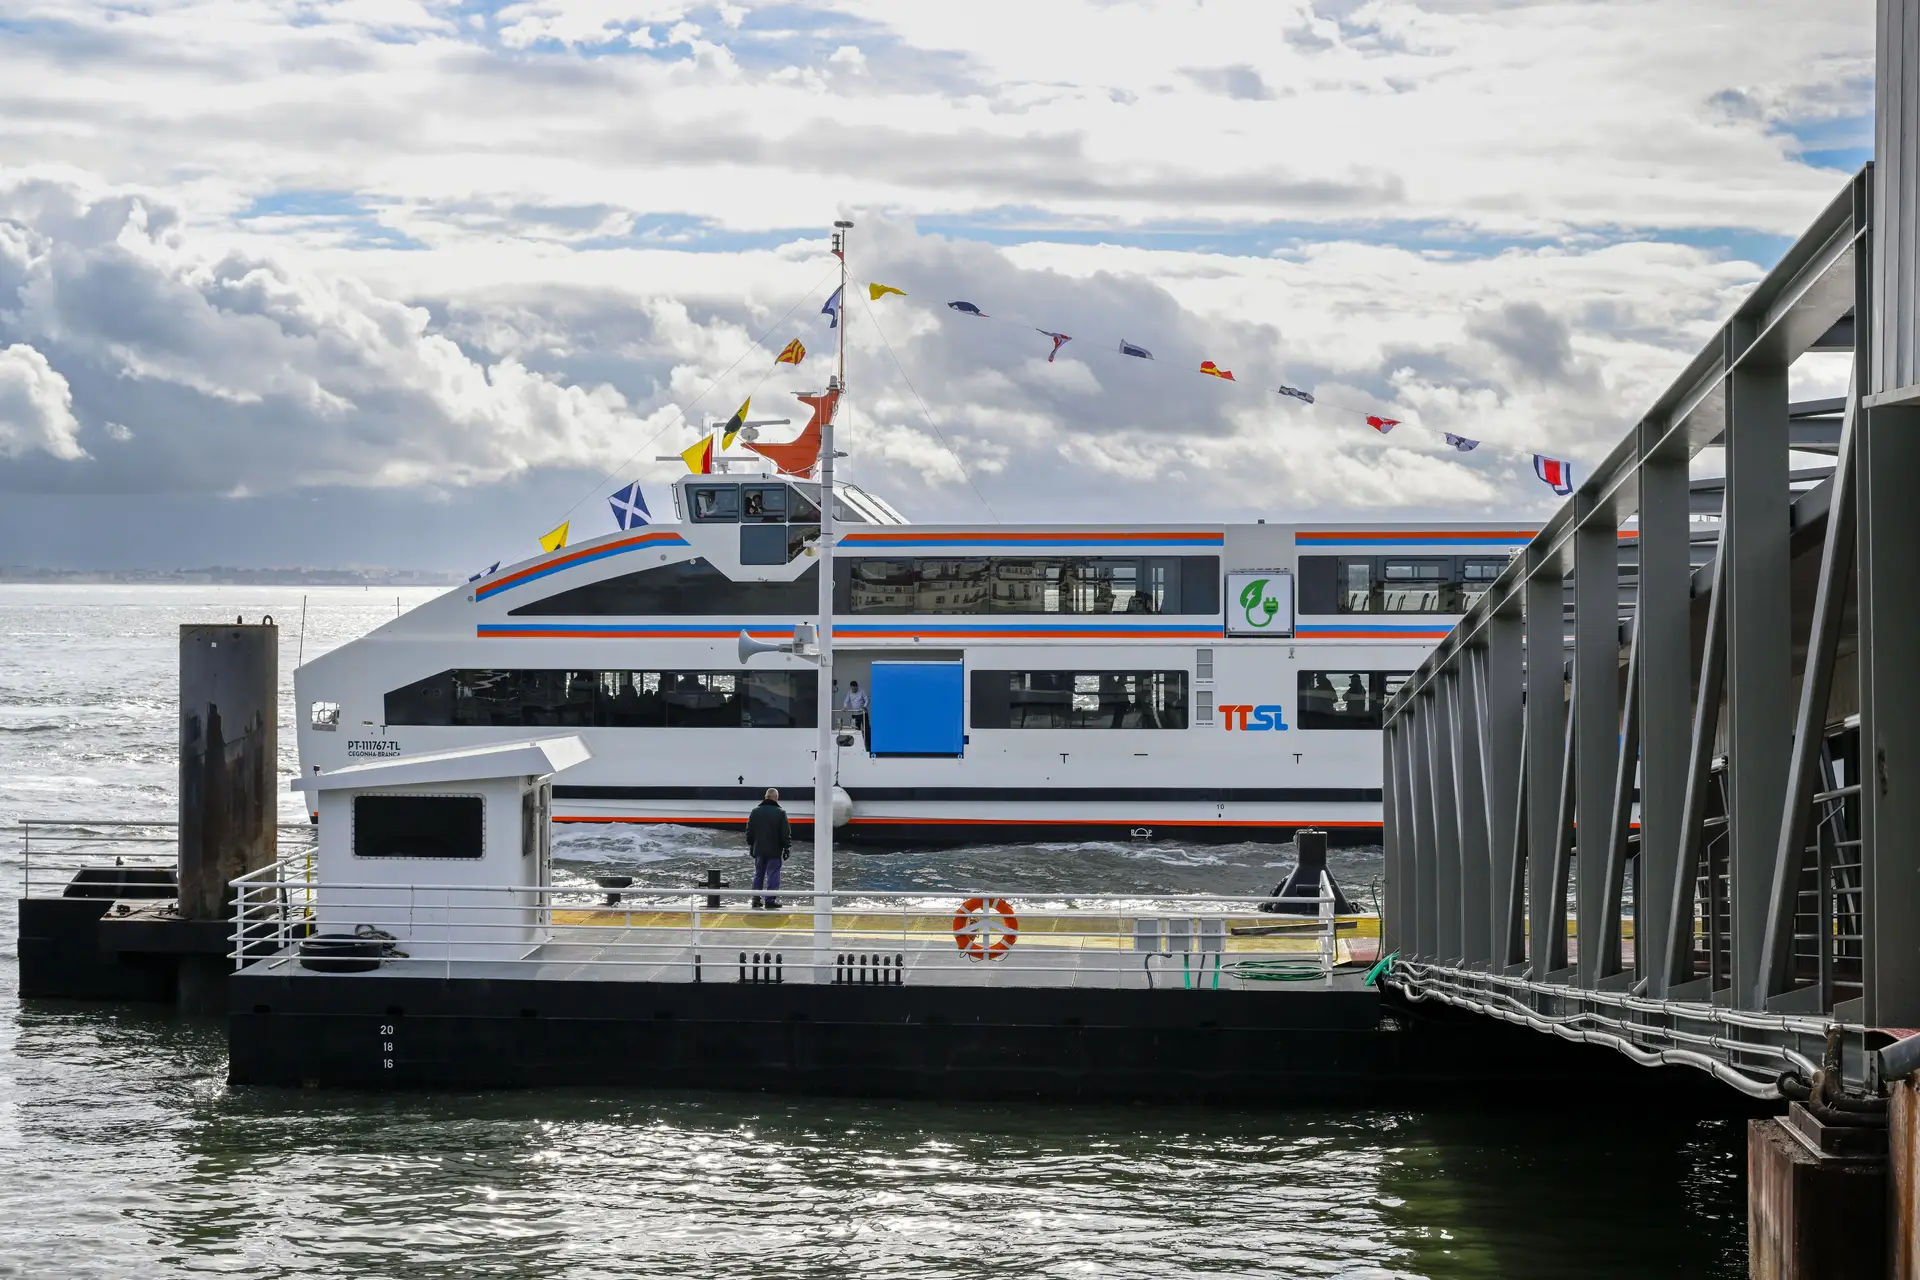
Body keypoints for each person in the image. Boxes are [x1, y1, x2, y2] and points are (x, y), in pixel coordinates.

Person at [745, 788, 791, 909]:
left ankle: (756, 899)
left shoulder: (755, 812)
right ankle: (770, 900)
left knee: (758, 874)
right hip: (774, 850)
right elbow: (785, 833)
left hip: (759, 849)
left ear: (766, 797)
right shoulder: (780, 812)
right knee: (773, 875)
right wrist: (786, 847)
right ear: (776, 797)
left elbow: (749, 831)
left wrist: (751, 845)